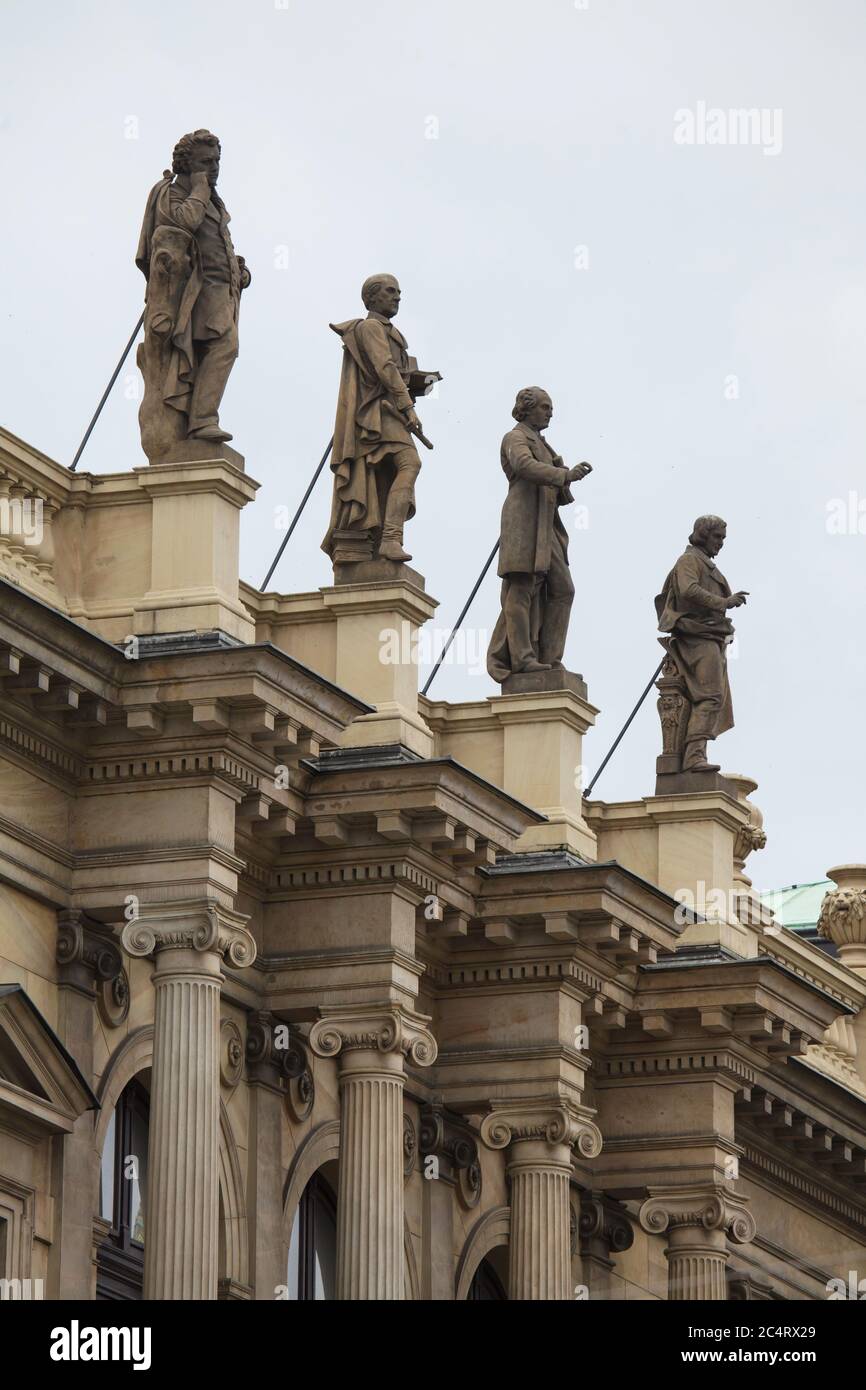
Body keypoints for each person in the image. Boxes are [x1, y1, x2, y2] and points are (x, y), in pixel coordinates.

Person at [487, 387, 591, 681]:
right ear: (527, 408)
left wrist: (566, 477)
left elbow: (552, 483)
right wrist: (563, 475)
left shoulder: (545, 445)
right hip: (523, 521)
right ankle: (522, 659)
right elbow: (524, 465)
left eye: (551, 408)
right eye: (545, 407)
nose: (550, 413)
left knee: (563, 589)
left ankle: (550, 658)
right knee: (521, 588)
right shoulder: (516, 437)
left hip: (547, 526)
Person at [655, 515, 748, 772]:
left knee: (712, 696)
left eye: (723, 538)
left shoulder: (704, 563)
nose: (720, 543)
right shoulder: (689, 560)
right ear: (702, 534)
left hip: (711, 637)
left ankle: (695, 755)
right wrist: (724, 602)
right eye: (717, 537)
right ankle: (693, 757)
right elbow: (688, 590)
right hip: (696, 637)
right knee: (710, 696)